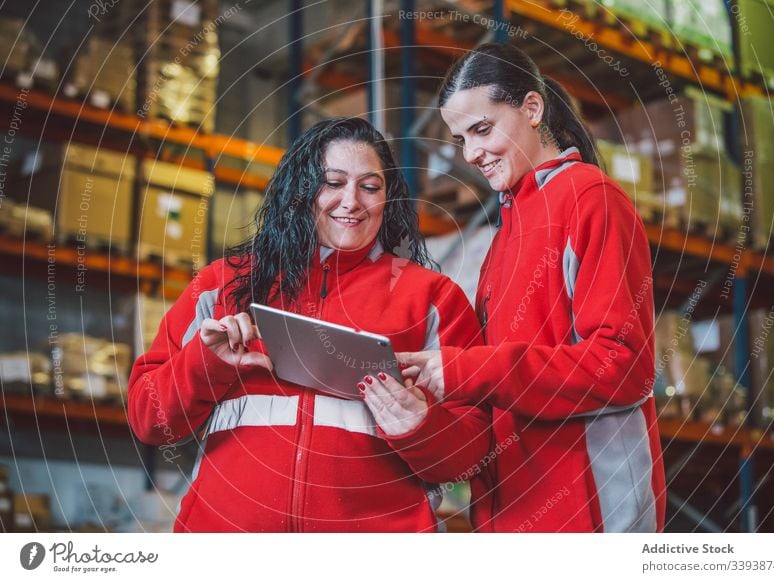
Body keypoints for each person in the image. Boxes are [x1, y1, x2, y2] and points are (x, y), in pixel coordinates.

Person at [128, 117, 490, 532]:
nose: (351, 201)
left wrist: (421, 427)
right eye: (332, 183)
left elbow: (474, 451)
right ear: (301, 190)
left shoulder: (432, 299)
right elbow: (148, 419)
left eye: (370, 187)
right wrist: (205, 364)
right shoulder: (222, 285)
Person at [398, 43, 666, 532]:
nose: (472, 153)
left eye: (482, 129)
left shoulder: (592, 199)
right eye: (460, 139)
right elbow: (494, 385)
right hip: (511, 510)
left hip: (589, 511)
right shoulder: (503, 238)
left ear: (532, 108)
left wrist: (467, 369)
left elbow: (622, 364)